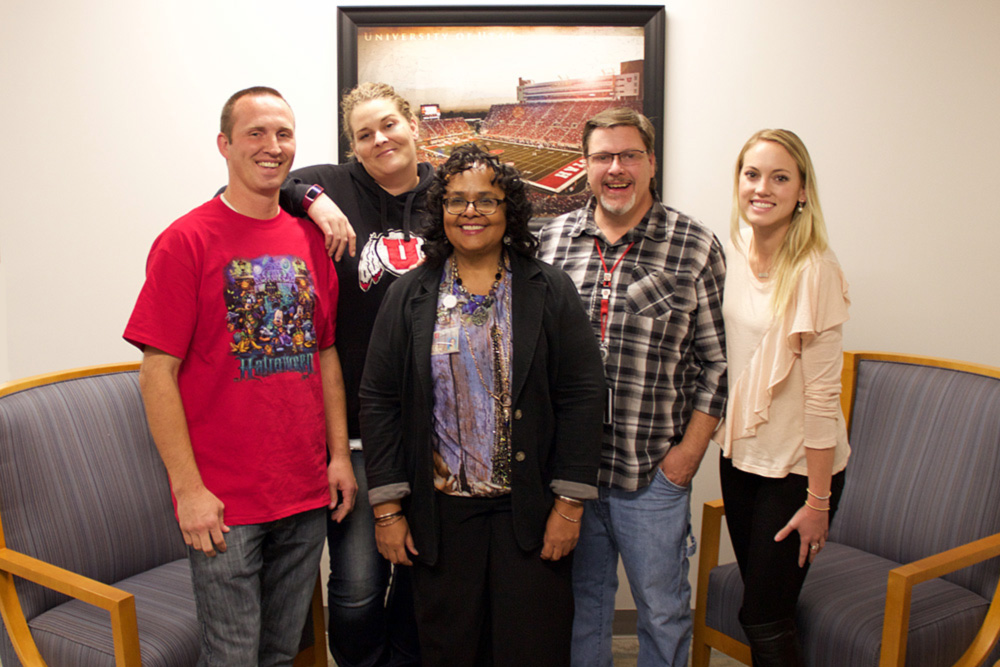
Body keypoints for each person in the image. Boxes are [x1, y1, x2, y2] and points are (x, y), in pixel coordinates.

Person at [124, 86, 357, 665]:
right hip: (225, 503)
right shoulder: (186, 240)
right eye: (256, 133)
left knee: (280, 652)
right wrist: (188, 491)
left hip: (303, 492)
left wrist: (339, 457)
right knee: (231, 656)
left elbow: (324, 353)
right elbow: (157, 372)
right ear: (225, 144)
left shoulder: (310, 239)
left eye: (283, 134)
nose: (271, 147)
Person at [359, 144, 605, 667]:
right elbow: (378, 399)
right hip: (441, 521)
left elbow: (583, 395)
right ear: (440, 210)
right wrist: (386, 510)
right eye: (456, 200)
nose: (470, 211)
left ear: (509, 210)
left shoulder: (549, 290)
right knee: (450, 651)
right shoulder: (409, 294)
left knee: (531, 650)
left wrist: (569, 504)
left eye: (486, 200)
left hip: (532, 515)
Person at [537, 108, 727, 667]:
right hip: (570, 476)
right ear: (585, 166)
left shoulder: (694, 245)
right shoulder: (550, 241)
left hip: (651, 474)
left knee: (663, 611)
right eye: (602, 157)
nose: (615, 169)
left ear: (651, 163)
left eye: (628, 156)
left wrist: (687, 457)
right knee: (581, 606)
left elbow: (715, 363)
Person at [278, 82, 432, 667]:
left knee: (422, 573)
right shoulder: (334, 183)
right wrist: (313, 199)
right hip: (361, 429)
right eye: (364, 134)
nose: (380, 139)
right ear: (353, 147)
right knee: (359, 584)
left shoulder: (448, 195)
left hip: (434, 428)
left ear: (413, 125)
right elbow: (253, 186)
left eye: (389, 125)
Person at [714, 129, 850, 665]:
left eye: (779, 177)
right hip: (743, 456)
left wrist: (819, 502)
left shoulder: (816, 269)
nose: (762, 188)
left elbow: (822, 398)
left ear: (803, 191)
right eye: (752, 174)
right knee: (769, 610)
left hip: (798, 469)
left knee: (762, 617)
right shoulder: (738, 249)